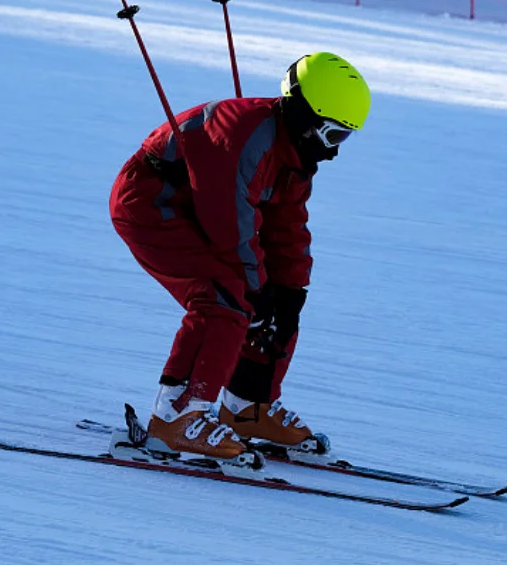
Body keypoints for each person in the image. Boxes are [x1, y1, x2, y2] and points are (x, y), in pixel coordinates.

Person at [109, 51, 370, 460]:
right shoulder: (245, 138)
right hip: (152, 203)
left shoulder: (295, 154)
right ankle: (175, 416)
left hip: (204, 214)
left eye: (345, 138)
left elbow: (287, 226)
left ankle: (248, 407)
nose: (334, 152)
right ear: (307, 117)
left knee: (279, 302)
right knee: (225, 296)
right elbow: (228, 223)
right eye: (333, 135)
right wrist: (257, 290)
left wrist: (291, 289)